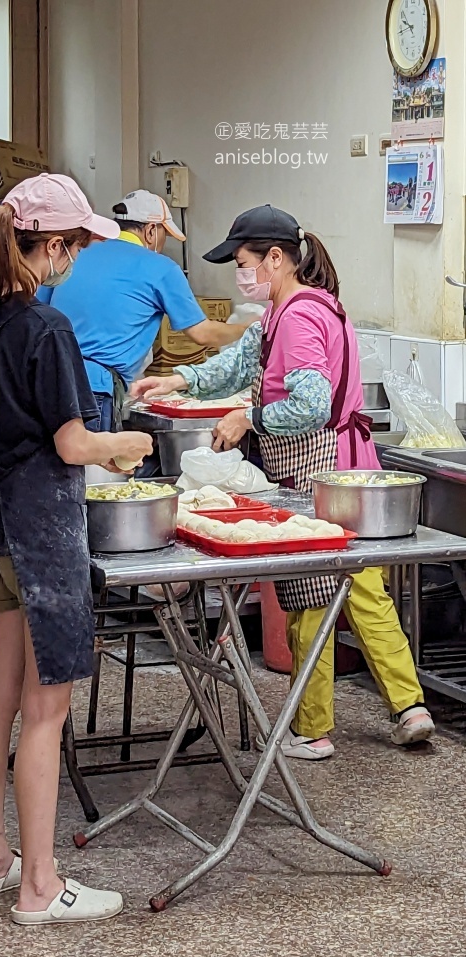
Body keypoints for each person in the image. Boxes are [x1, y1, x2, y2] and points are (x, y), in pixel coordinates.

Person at [133, 205, 434, 760]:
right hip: (351, 471)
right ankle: (410, 706)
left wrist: (249, 418)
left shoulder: (295, 317)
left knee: (310, 597)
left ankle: (312, 729)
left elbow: (312, 405)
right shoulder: (297, 307)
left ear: (276, 258)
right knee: (363, 588)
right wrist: (177, 378)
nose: (239, 274)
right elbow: (237, 363)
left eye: (244, 263)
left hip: (320, 474)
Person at [0, 173, 152, 924]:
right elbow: (71, 443)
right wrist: (122, 442)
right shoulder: (45, 329)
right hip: (41, 533)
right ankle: (40, 885)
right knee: (46, 710)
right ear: (57, 246)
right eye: (74, 246)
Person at [39, 190, 248, 431]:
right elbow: (203, 334)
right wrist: (248, 328)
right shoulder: (161, 268)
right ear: (150, 230)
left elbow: (37, 309)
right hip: (94, 391)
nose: (162, 243)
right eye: (163, 235)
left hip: (47, 378)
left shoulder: (75, 254)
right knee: (89, 465)